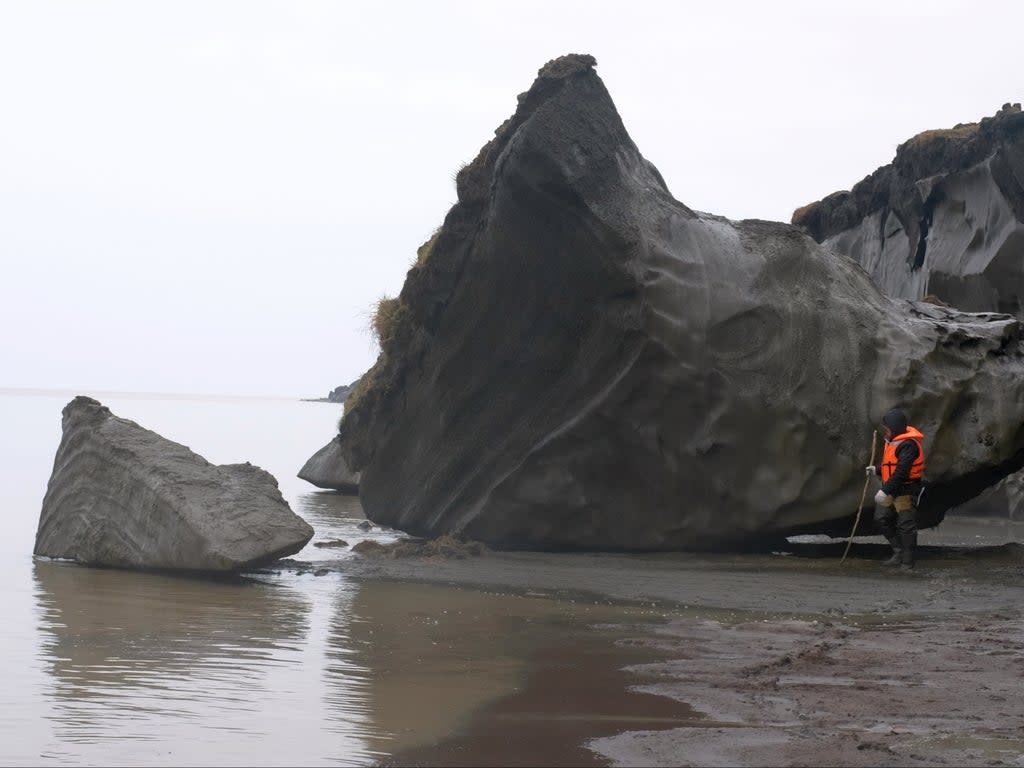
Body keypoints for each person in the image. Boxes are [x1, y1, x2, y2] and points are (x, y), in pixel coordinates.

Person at [865, 408, 926, 569]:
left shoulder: (908, 445)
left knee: (906, 526)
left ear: (895, 428)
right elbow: (891, 466)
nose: (885, 431)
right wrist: (876, 470)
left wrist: (885, 490)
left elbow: (901, 472)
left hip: (906, 490)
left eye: (887, 428)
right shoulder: (893, 441)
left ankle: (907, 562)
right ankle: (898, 551)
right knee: (881, 518)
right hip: (893, 487)